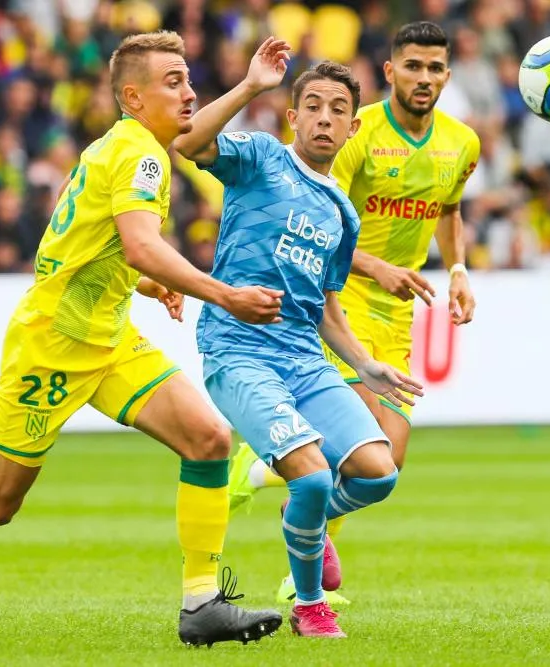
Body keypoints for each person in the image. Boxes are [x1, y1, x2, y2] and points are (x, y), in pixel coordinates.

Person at [0, 31, 286, 648]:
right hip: (53, 346)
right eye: (173, 82)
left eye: (187, 79)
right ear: (133, 97)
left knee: (207, 439)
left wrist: (144, 282)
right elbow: (140, 243)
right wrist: (223, 294)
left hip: (109, 338)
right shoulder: (140, 157)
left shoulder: (120, 147)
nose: (188, 92)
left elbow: (79, 234)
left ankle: (201, 603)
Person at [174, 41, 424, 638]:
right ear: (293, 116)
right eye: (312, 107)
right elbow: (187, 143)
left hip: (305, 359)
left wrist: (365, 364)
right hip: (238, 351)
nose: (324, 119)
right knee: (312, 476)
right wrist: (250, 86)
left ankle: (302, 518)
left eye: (338, 110)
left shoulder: (342, 213)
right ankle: (310, 606)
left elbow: (327, 306)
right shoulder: (261, 157)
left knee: (379, 472)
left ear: (353, 127)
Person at [227, 21, 481, 604]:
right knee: (355, 442)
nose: (423, 78)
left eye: (434, 68)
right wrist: (376, 267)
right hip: (341, 299)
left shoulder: (462, 143)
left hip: (397, 312)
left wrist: (459, 269)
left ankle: (265, 478)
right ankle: (301, 577)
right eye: (412, 66)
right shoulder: (357, 133)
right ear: (390, 71)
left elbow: (449, 209)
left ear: (447, 75)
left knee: (389, 457)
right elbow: (319, 212)